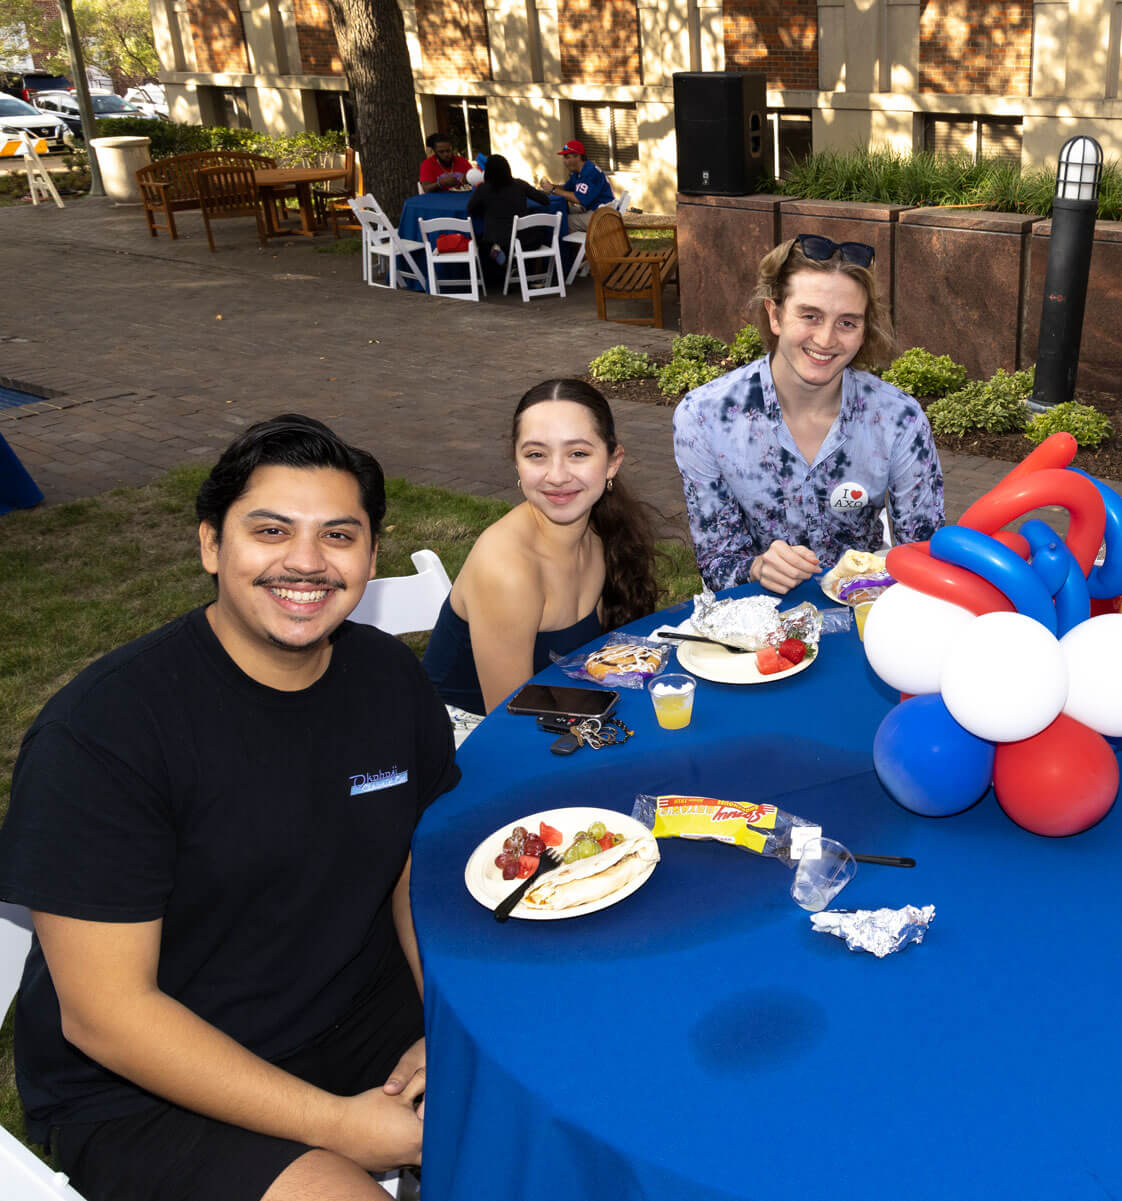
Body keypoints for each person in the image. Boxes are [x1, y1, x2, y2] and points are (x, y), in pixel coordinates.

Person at [0, 415, 459, 1201]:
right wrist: (337, 1124)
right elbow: (107, 1014)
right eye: (271, 530)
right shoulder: (104, 733)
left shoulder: (388, 677)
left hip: (351, 1011)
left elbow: (413, 868)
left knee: (551, 1096)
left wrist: (445, 1018)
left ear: (371, 554)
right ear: (211, 544)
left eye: (338, 535)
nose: (306, 561)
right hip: (150, 1084)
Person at [672, 234, 946, 593]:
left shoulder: (899, 419)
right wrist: (757, 567)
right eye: (810, 316)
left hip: (862, 611)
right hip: (755, 614)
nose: (826, 339)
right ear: (775, 315)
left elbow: (924, 555)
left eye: (847, 323)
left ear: (864, 330)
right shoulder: (704, 417)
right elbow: (716, 563)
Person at [423, 379, 659, 714]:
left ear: (612, 462)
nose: (557, 476)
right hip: (472, 736)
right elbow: (510, 720)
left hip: (563, 710)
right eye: (536, 455)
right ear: (517, 463)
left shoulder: (598, 531)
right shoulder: (507, 569)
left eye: (578, 454)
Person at [465, 154, 553, 292]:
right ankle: (534, 277)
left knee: (483, 242)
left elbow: (470, 209)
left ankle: (505, 264)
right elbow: (545, 200)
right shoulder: (520, 184)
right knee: (539, 231)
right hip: (524, 240)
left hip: (497, 240)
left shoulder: (484, 189)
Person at [539, 139, 612, 231]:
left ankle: (562, 241)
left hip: (602, 216)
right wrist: (551, 185)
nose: (564, 161)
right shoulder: (579, 171)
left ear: (577, 156)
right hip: (595, 209)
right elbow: (565, 189)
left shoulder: (589, 172)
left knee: (561, 221)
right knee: (560, 212)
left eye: (567, 157)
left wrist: (553, 190)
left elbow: (578, 199)